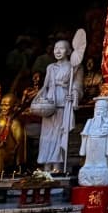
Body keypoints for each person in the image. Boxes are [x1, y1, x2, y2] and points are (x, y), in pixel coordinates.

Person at [31, 39, 83, 169]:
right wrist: (38, 98)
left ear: (69, 51)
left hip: (63, 103)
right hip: (49, 105)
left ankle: (57, 167)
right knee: (47, 137)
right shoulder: (50, 67)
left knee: (59, 136)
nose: (58, 51)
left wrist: (74, 94)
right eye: (55, 48)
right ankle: (46, 167)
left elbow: (78, 85)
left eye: (61, 48)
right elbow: (45, 86)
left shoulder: (74, 67)